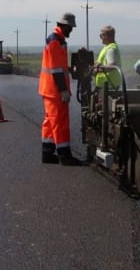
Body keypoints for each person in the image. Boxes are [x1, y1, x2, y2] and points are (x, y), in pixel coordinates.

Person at [38, 12, 82, 166]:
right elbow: (56, 70)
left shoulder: (57, 40)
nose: (71, 31)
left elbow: (59, 67)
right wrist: (63, 90)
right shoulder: (55, 42)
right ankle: (65, 155)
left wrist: (69, 69)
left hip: (48, 89)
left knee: (50, 122)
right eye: (70, 28)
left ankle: (47, 154)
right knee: (60, 122)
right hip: (55, 90)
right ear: (63, 26)